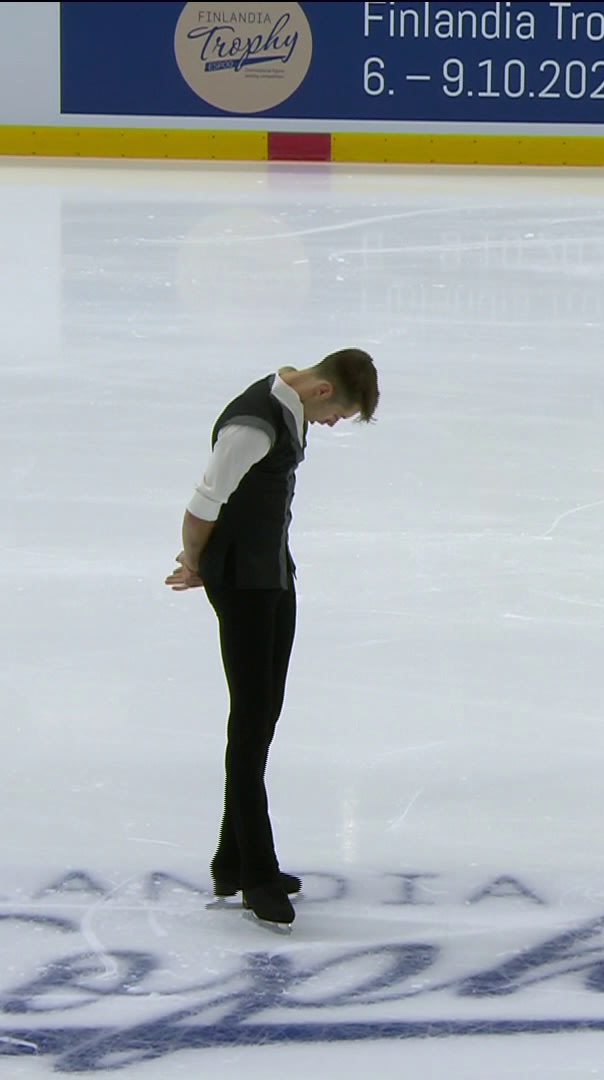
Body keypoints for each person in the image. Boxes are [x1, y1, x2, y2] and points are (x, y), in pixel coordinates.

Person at [165, 349, 379, 929]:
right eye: (339, 415)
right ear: (322, 391)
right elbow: (204, 503)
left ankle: (231, 860)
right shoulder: (253, 427)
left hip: (271, 574)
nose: (331, 425)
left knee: (263, 716)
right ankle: (257, 873)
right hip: (243, 583)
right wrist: (194, 561)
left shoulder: (285, 405)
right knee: (251, 723)